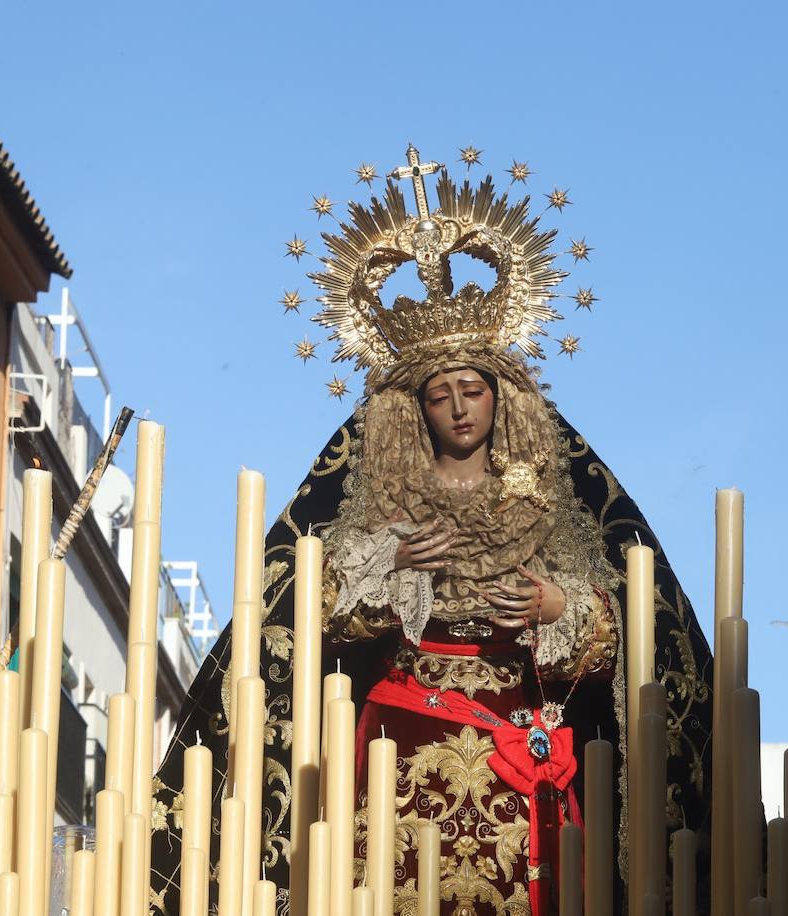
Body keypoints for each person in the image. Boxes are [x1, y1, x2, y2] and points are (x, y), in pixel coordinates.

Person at [149, 149, 713, 915]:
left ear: (499, 399)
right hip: (400, 747)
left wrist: (557, 610)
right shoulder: (384, 503)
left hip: (526, 752)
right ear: (415, 410)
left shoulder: (546, 501)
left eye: (472, 390)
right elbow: (315, 616)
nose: (457, 408)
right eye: (440, 395)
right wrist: (392, 571)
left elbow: (620, 630)